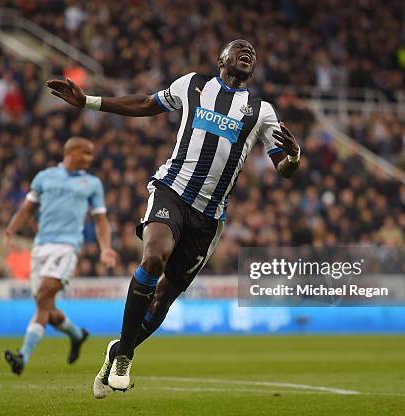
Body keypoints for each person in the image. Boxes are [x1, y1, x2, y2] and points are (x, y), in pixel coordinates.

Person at [47, 39, 300, 397]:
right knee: (153, 256)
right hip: (172, 191)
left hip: (209, 217)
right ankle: (124, 360)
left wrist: (295, 157)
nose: (248, 51)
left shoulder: (262, 111)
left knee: (163, 298)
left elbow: (284, 169)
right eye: (239, 48)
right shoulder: (193, 84)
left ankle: (120, 350)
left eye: (253, 53)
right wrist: (89, 101)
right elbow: (146, 104)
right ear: (221, 59)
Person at [3, 137, 117, 375]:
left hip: (67, 247)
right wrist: (11, 230)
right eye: (86, 154)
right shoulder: (44, 177)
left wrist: (105, 247)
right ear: (72, 152)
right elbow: (27, 209)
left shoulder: (92, 183)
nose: (90, 159)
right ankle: (77, 335)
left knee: (44, 296)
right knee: (47, 309)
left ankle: (23, 356)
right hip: (41, 247)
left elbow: (100, 220)